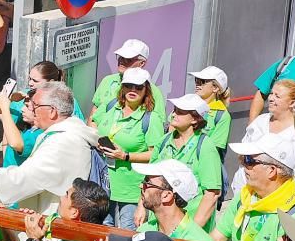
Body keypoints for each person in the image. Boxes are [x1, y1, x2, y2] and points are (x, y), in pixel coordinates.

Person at [0, 80, 97, 213]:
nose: (32, 110)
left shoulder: (63, 142)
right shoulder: (64, 132)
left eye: (36, 106)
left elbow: (23, 178)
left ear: (52, 111)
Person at [213, 132, 295, 241]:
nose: (242, 164)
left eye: (249, 160)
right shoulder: (244, 197)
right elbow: (216, 239)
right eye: (243, 158)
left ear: (271, 170)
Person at [94, 67, 166, 230]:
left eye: (138, 87)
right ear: (122, 87)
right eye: (128, 85)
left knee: (128, 232)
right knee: (103, 229)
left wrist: (125, 156)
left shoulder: (150, 119)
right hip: (104, 183)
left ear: (146, 90)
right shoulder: (111, 106)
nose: (133, 90)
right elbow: (93, 120)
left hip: (131, 188)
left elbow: (155, 154)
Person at [227, 79, 295, 195]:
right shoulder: (260, 121)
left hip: (278, 196)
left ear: (292, 102)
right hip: (244, 190)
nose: (271, 98)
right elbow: (242, 152)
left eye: (277, 96)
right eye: (271, 94)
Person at [146, 94, 222, 229]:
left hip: (188, 224)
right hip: (159, 223)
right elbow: (148, 179)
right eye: (174, 110)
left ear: (195, 119)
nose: (174, 114)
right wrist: (141, 207)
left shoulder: (205, 146)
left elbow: (211, 194)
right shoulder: (164, 141)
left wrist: (192, 231)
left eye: (180, 112)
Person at [91, 40, 166, 114]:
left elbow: (157, 122)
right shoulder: (107, 80)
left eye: (128, 59)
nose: (122, 61)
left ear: (142, 63)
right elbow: (94, 112)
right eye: (121, 57)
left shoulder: (154, 92)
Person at [189, 65, 232, 158]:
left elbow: (214, 150)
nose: (198, 84)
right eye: (196, 80)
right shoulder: (186, 106)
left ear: (216, 88)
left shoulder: (222, 115)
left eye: (203, 82)